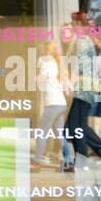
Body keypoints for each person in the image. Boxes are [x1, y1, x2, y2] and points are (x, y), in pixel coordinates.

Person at [34, 41, 73, 169]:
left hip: (52, 103)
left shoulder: (46, 62)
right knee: (59, 134)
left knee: (41, 132)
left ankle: (37, 161)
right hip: (61, 103)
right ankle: (68, 160)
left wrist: (36, 77)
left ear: (46, 51)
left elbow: (41, 79)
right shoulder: (57, 63)